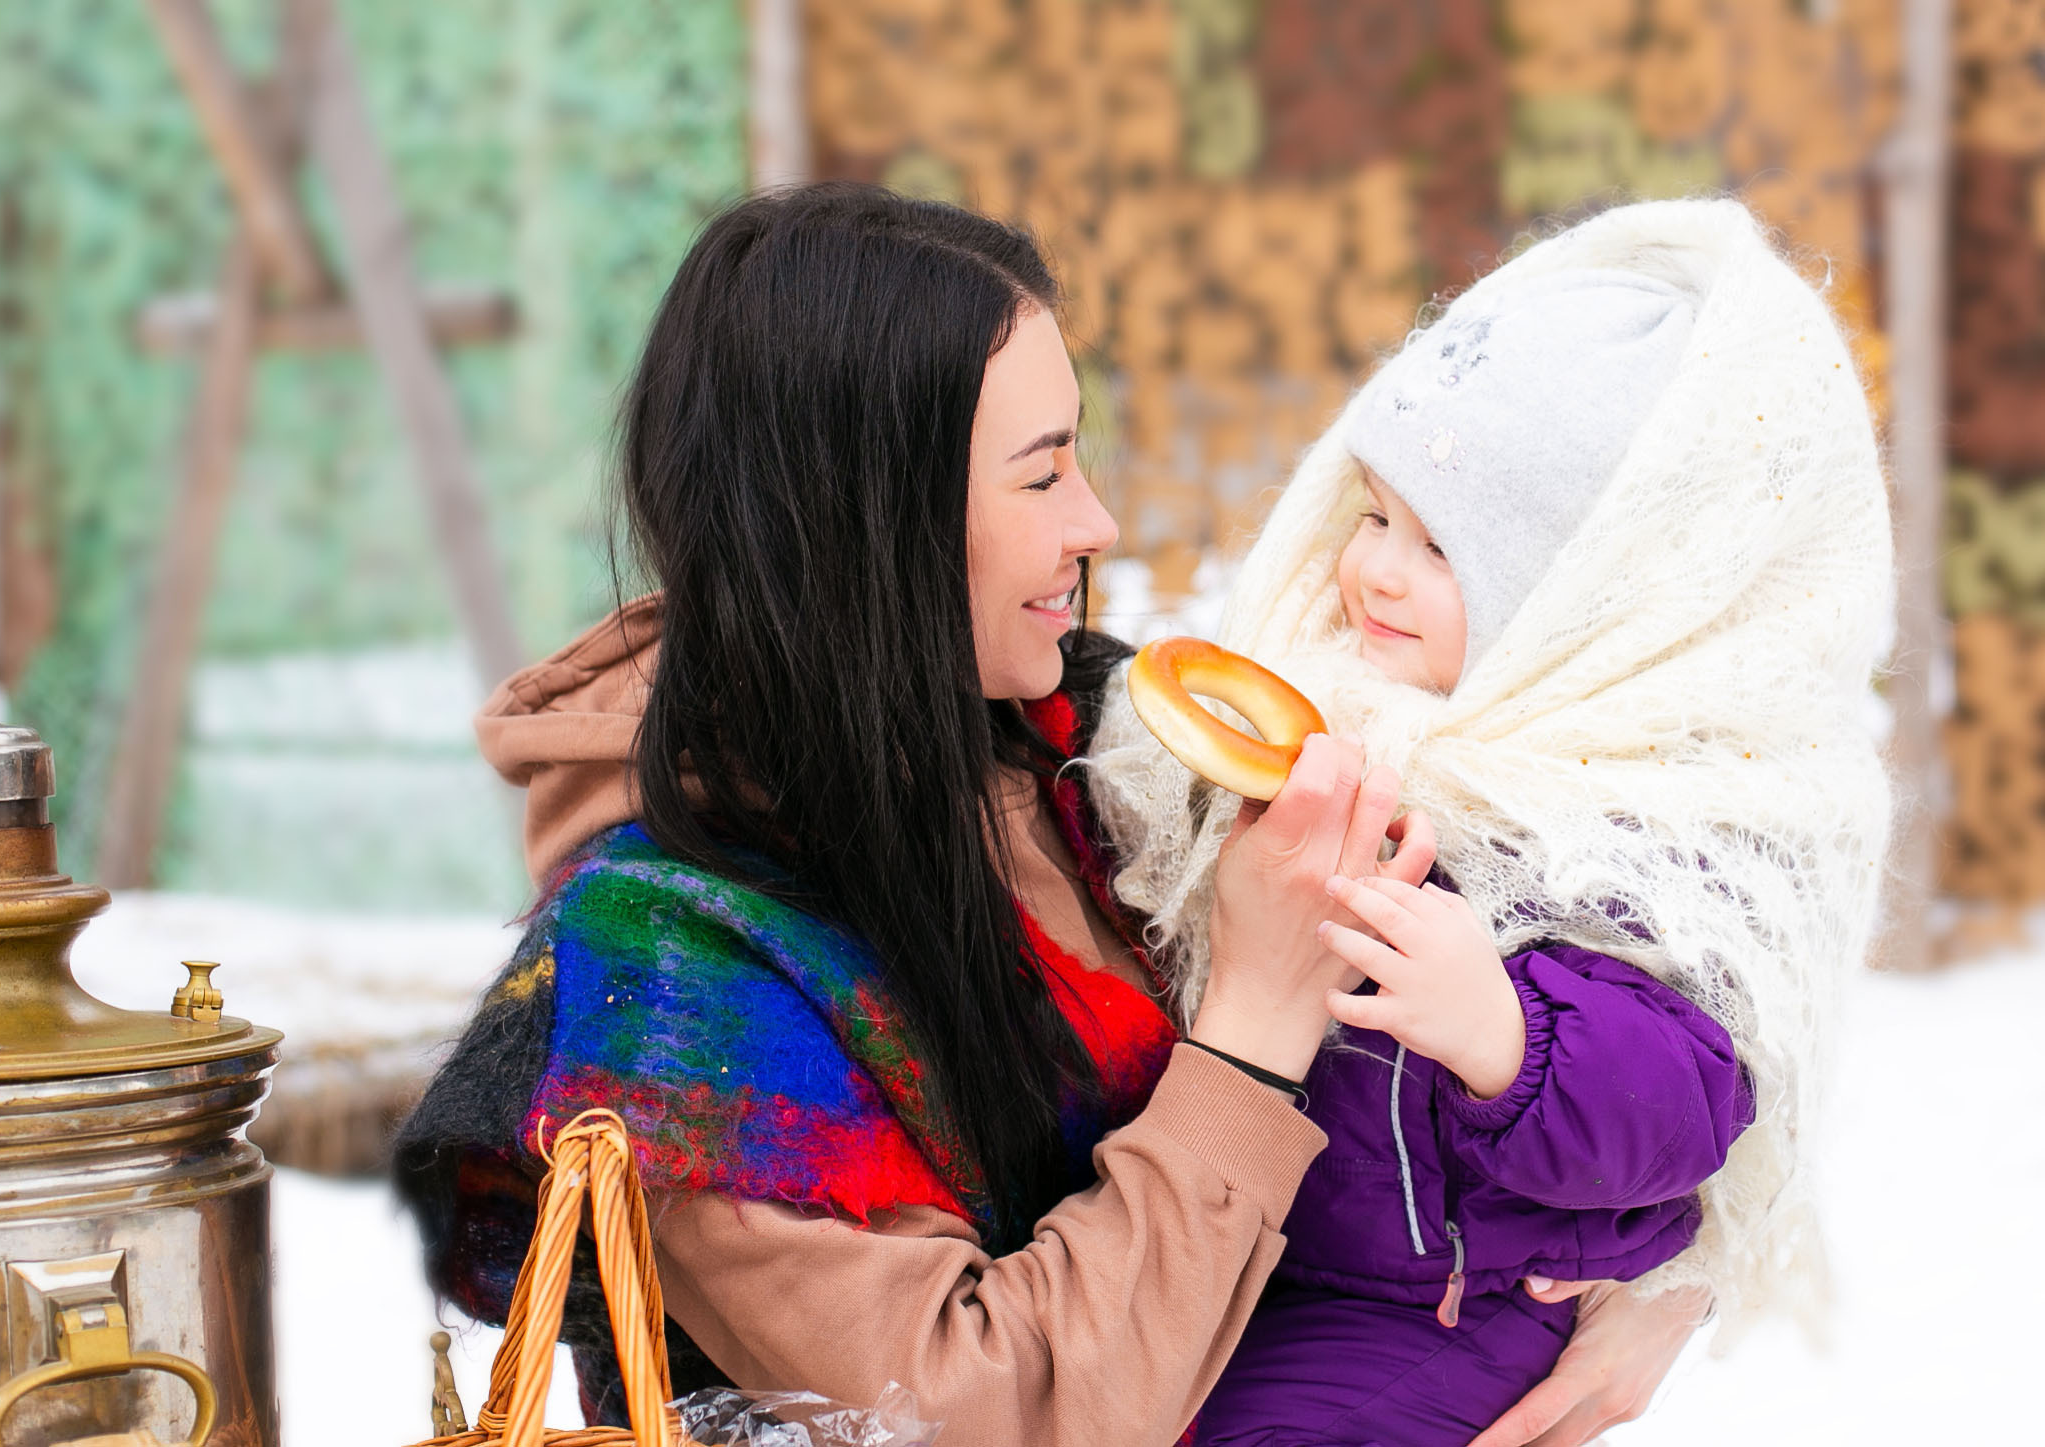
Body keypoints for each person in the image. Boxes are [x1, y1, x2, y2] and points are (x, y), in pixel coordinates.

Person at [392, 183, 1707, 1447]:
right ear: (869, 524)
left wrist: (1648, 1273)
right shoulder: (675, 978)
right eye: (1041, 475)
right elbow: (983, 1414)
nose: (1100, 519)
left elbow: (1588, 980)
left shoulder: (1081, 746)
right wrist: (1256, 1020)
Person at [1088, 198, 1891, 1444]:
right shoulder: (1333, 710)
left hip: (1456, 1309)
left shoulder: (1629, 802)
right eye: (1372, 516)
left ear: (1578, 601)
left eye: (1443, 547)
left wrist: (1507, 1035)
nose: (1374, 572)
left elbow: (1688, 1098)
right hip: (1263, 1258)